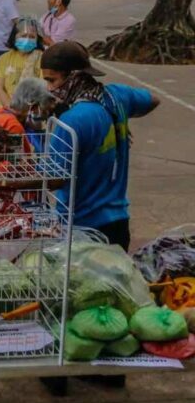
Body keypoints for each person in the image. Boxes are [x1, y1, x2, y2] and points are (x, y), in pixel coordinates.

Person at [42, 42, 159, 249]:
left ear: (74, 77)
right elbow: (152, 100)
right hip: (118, 223)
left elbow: (54, 179)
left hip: (81, 228)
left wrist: (5, 183)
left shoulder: (70, 122)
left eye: (52, 80)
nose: (49, 88)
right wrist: (119, 123)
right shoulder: (117, 96)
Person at [0, 16, 44, 108]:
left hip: (31, 109)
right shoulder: (4, 58)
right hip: (6, 108)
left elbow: (43, 88)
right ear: (14, 36)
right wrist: (10, 107)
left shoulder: (42, 58)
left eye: (32, 37)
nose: (27, 40)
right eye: (23, 36)